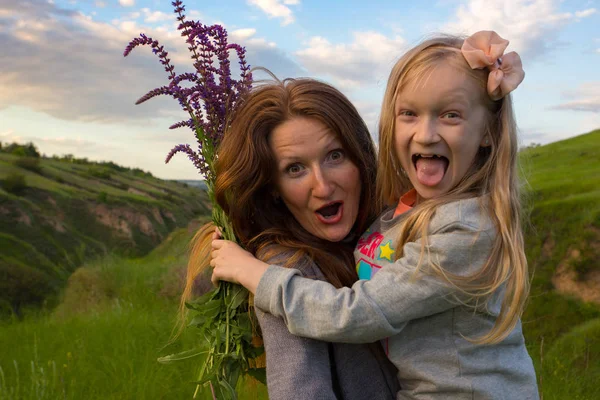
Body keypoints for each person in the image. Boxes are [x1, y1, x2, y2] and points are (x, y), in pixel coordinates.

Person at [210, 31, 540, 399]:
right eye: (410, 113)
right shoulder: (404, 211)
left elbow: (357, 313)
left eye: (451, 115)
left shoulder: (465, 230)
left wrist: (256, 274)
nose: (426, 134)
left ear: (488, 132)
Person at [183, 77, 400, 399]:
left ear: (361, 157)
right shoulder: (283, 270)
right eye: (295, 168)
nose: (323, 186)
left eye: (335, 156)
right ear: (272, 188)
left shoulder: (393, 226)